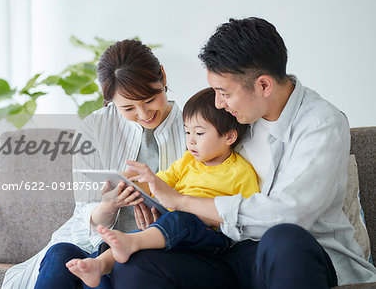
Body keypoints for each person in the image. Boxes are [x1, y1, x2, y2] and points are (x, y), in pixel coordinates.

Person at [110, 18, 376, 288]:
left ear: (263, 85)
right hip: (232, 251)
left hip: (300, 255)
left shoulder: (322, 124)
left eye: (223, 92)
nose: (218, 102)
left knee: (283, 239)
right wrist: (147, 192)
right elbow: (202, 167)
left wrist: (181, 202)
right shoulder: (238, 117)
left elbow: (290, 215)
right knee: (134, 267)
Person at [1, 39, 186, 289]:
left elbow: (205, 201)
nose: (144, 115)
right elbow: (84, 212)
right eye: (128, 108)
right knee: (59, 255)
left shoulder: (195, 127)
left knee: (118, 273)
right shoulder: (94, 127)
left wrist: (158, 226)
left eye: (150, 99)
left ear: (162, 76)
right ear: (109, 99)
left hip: (161, 248)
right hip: (96, 242)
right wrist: (109, 205)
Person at [65, 87, 259, 288]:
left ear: (229, 137)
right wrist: (131, 183)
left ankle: (126, 247)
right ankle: (100, 264)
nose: (190, 140)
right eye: (187, 131)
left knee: (177, 219)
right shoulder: (187, 161)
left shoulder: (240, 171)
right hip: (176, 227)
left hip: (211, 236)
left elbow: (248, 216)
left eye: (199, 133)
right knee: (136, 236)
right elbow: (159, 183)